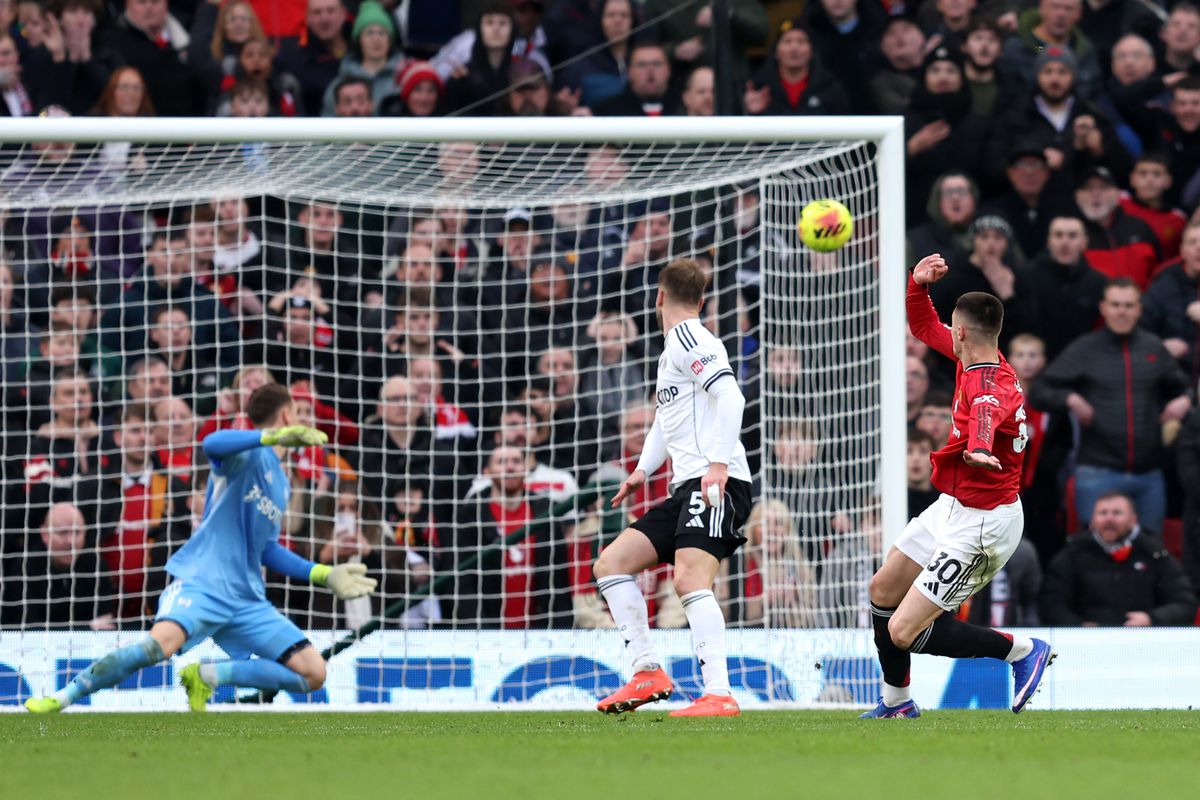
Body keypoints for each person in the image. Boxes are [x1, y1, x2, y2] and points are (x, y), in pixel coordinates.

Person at [24, 384, 377, 714]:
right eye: (298, 414)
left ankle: (209, 675)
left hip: (246, 598)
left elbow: (267, 550)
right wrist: (270, 437)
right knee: (155, 648)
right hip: (203, 583)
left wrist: (323, 573)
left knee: (313, 673)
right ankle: (62, 697)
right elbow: (212, 444)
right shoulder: (244, 455)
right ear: (287, 417)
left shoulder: (282, 483)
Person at [862, 253, 1053, 720]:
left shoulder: (991, 382)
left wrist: (980, 445)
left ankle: (1022, 650)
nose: (948, 333)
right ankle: (896, 704)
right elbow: (925, 328)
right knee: (883, 588)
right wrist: (917, 285)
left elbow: (986, 409)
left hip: (985, 523)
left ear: (962, 332)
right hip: (955, 505)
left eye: (953, 328)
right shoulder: (976, 358)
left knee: (905, 631)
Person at [592, 258, 753, 718]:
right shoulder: (673, 350)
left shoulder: (690, 337)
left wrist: (718, 464)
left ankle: (719, 694)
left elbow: (732, 396)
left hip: (717, 481)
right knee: (612, 564)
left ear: (659, 297)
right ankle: (646, 672)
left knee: (689, 579)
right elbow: (669, 418)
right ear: (701, 300)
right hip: (687, 486)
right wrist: (643, 469)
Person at [1029, 278, 1191, 533]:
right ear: (1103, 308)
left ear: (1139, 309)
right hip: (1097, 469)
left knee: (1150, 554)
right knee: (1093, 553)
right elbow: (1039, 391)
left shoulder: (1153, 348)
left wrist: (1185, 400)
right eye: (1115, 305)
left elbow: (1184, 388)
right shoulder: (1085, 348)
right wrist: (1070, 399)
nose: (1122, 312)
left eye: (1128, 305)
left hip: (1148, 472)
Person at [1040, 492, 1196, 626]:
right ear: (1093, 520)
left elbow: (1185, 603)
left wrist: (1151, 618)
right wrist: (1078, 626)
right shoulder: (1072, 554)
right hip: (1087, 643)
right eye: (1103, 513)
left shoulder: (1154, 553)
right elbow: (1051, 604)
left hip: (1141, 641)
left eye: (1117, 513)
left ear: (1133, 520)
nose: (1109, 519)